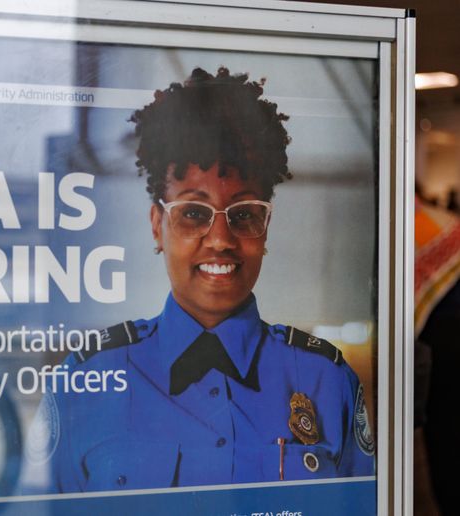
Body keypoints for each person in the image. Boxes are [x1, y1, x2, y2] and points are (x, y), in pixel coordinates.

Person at [34, 67, 375, 492]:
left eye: (244, 214)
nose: (220, 240)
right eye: (194, 213)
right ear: (157, 225)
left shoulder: (324, 379)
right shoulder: (89, 379)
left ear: (265, 227)